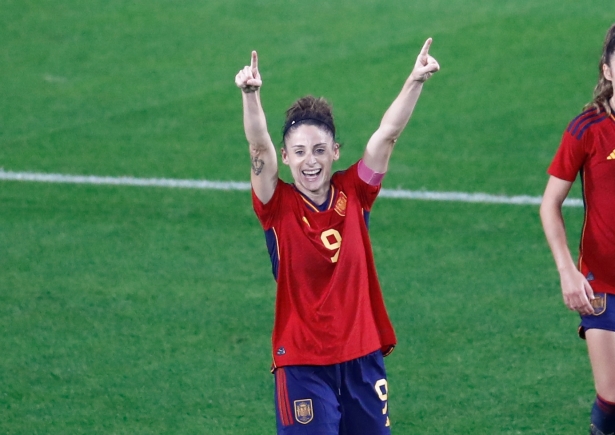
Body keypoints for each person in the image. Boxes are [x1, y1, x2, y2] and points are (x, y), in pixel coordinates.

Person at [234, 40, 439, 434]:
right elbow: (257, 144)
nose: (310, 161)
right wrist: (250, 95)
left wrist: (415, 80)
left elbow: (387, 135)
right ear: (286, 156)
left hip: (362, 355)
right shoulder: (276, 204)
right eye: (299, 152)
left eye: (319, 150)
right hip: (302, 364)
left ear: (335, 151)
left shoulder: (355, 191)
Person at [540, 23, 615, 435]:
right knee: (611, 400)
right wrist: (568, 270)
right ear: (607, 71)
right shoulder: (588, 127)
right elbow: (550, 205)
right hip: (601, 284)